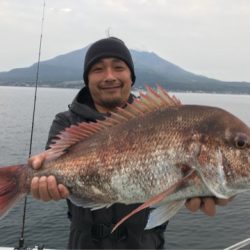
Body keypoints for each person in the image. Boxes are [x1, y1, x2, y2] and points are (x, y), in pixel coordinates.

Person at [29, 37, 231, 249]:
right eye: (98, 69)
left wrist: (218, 184)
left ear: (131, 76)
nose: (109, 76)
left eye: (118, 68)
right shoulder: (67, 123)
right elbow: (51, 168)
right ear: (87, 78)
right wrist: (39, 178)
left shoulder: (161, 118)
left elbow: (196, 183)